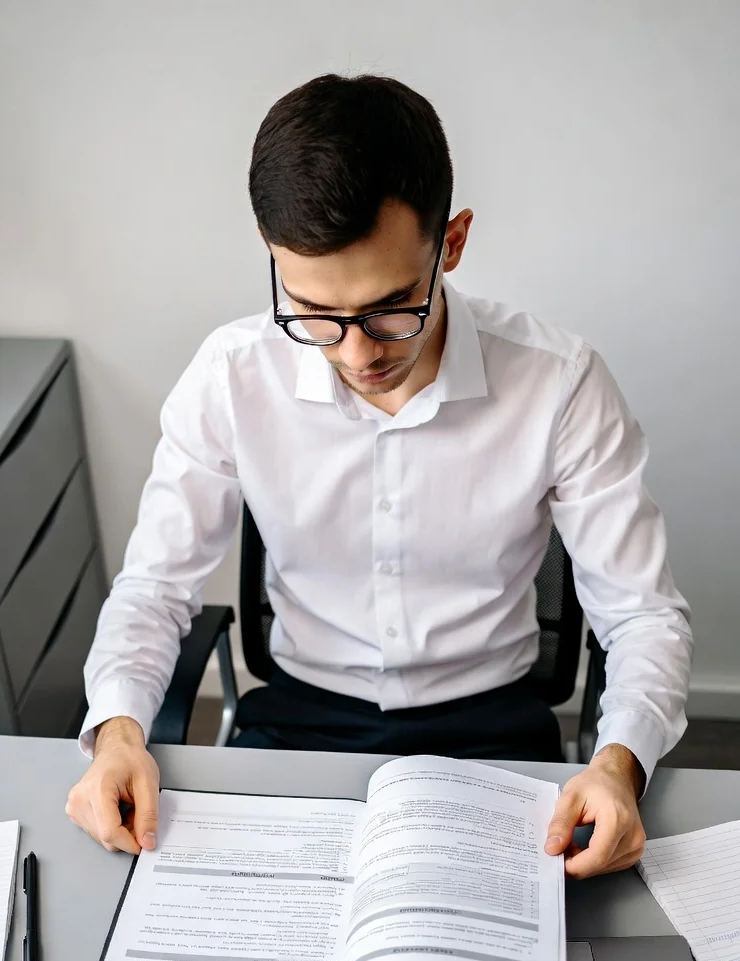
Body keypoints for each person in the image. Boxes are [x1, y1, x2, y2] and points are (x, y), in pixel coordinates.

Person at [66, 73, 692, 879]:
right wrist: (118, 733)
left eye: (392, 308)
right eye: (314, 313)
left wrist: (617, 767)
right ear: (273, 255)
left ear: (453, 243)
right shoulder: (230, 375)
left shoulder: (560, 382)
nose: (358, 355)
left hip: (492, 733)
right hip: (299, 725)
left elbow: (643, 617)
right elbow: (154, 589)